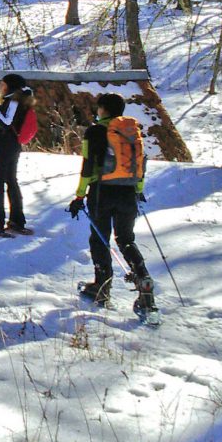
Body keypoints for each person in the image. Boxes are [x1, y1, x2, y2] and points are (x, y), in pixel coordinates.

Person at [67, 92, 154, 310]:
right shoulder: (131, 133)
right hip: (128, 192)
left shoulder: (95, 131)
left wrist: (79, 195)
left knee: (100, 239)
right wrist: (138, 190)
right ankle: (143, 281)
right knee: (125, 239)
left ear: (103, 109)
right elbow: (140, 165)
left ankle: (102, 288)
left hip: (102, 192)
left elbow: (88, 166)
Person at [0, 73, 34, 236]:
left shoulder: (14, 100)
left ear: (10, 86)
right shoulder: (22, 99)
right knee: (11, 181)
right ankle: (16, 220)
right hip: (13, 145)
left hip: (5, 146)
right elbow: (5, 121)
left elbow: (5, 122)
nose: (1, 87)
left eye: (3, 84)